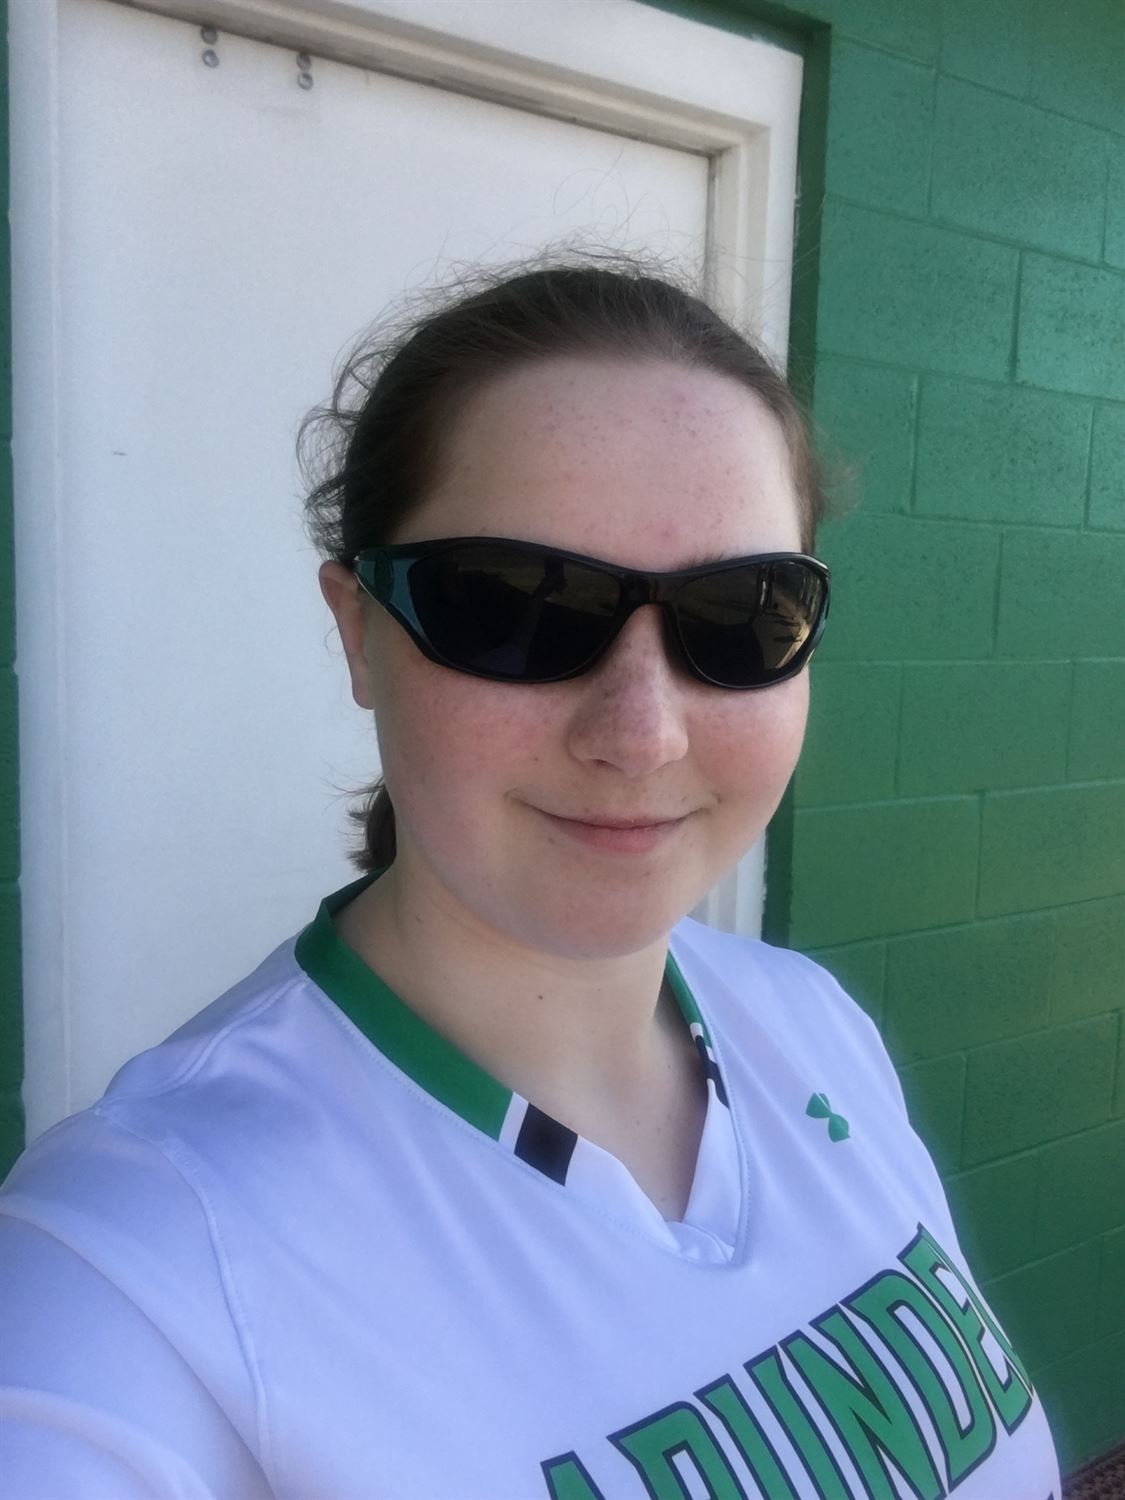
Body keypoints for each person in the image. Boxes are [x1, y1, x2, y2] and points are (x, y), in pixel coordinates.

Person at [0, 258, 1059, 1499]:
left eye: (744, 612)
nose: (641, 733)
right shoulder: (133, 1270)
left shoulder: (812, 1028)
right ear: (358, 630)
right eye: (513, 607)